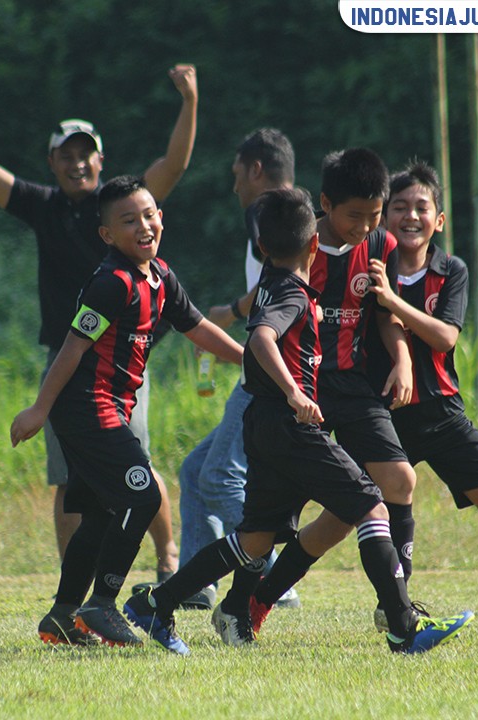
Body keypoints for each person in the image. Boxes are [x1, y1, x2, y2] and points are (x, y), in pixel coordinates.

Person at [123, 187, 473, 655]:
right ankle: (404, 628)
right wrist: (294, 391)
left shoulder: (271, 280)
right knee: (370, 502)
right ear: (314, 246)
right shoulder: (289, 291)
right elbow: (263, 338)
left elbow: (258, 331)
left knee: (254, 539)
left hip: (263, 423)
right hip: (289, 424)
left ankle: (160, 603)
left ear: (262, 248)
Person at [0, 66, 199, 578]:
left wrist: (189, 100)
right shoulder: (44, 207)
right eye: (66, 155)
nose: (76, 164)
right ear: (52, 162)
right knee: (68, 478)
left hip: (124, 362)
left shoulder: (119, 205)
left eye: (84, 154)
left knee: (136, 461)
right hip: (67, 364)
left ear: (101, 159)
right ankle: (74, 580)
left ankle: (168, 560)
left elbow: (173, 166)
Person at [10, 177, 243, 647]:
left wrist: (252, 360)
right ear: (107, 235)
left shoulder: (159, 277)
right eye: (128, 220)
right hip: (86, 410)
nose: (144, 226)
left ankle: (62, 615)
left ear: (162, 217)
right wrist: (39, 408)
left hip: (110, 409)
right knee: (143, 497)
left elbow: (197, 327)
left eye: (150, 214)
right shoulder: (111, 283)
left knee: (100, 515)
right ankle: (103, 604)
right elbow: (72, 348)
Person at [216, 148, 422, 637]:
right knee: (281, 517)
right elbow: (266, 324)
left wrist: (403, 357)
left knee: (398, 482)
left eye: (375, 215)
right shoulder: (296, 250)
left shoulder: (380, 245)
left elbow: (383, 311)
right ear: (326, 205)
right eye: (356, 215)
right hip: (300, 391)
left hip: (351, 386)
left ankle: (398, 607)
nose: (365, 226)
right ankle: (247, 601)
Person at [369, 160, 478, 643]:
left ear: (438, 220)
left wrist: (395, 303)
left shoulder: (451, 271)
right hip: (382, 416)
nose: (410, 216)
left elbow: (445, 337)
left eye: (421, 207)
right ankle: (257, 603)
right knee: (338, 521)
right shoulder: (367, 270)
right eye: (399, 207)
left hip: (444, 414)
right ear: (383, 218)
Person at [172, 128, 300, 611]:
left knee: (220, 477)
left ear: (256, 171)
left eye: (236, 175)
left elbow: (281, 285)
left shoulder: (265, 212)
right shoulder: (300, 222)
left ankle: (276, 579)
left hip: (270, 377)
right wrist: (231, 310)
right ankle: (197, 587)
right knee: (195, 471)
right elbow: (278, 285)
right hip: (271, 372)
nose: (234, 188)